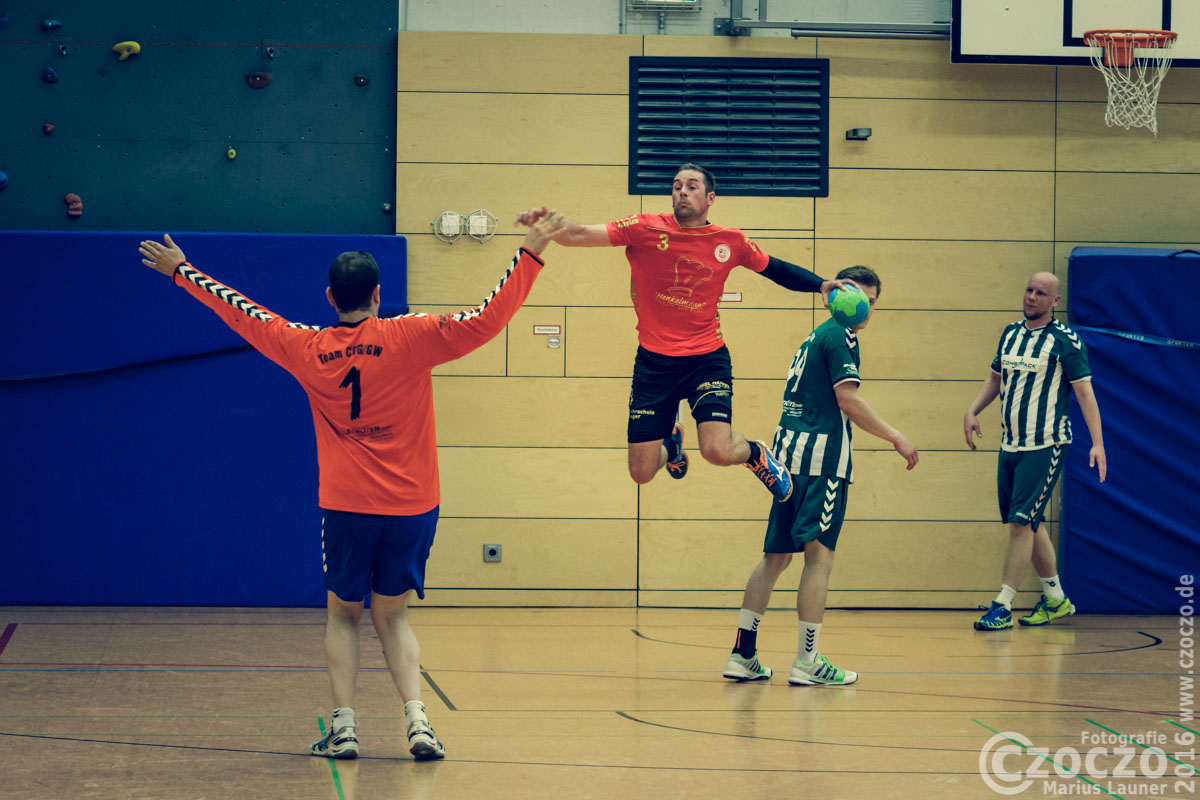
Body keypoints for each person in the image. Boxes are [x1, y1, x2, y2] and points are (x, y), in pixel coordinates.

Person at [137, 213, 566, 760]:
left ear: (329, 297)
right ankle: (419, 724)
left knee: (343, 615)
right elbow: (487, 317)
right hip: (412, 507)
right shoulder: (411, 334)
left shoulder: (305, 347)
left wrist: (183, 272)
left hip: (347, 507)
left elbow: (244, 312)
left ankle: (344, 729)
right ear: (378, 295)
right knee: (394, 615)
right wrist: (530, 250)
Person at [514, 163, 847, 502]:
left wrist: (820, 284)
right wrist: (549, 224)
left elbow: (775, 268)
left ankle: (756, 453)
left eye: (691, 186)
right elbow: (580, 234)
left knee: (717, 451)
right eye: (676, 186)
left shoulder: (730, 241)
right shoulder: (644, 228)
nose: (682, 191)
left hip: (706, 359)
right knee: (641, 472)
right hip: (654, 364)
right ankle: (672, 447)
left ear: (710, 197)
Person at [723, 266, 918, 685]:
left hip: (787, 461)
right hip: (822, 462)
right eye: (858, 297)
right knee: (819, 558)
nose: (865, 309)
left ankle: (743, 654)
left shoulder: (815, 336)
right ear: (837, 296)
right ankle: (808, 661)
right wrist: (896, 436)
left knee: (776, 557)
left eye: (871, 302)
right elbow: (848, 400)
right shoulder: (840, 336)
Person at [964, 271, 1106, 631]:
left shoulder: (1065, 341)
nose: (1031, 296)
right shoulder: (1010, 334)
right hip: (1010, 443)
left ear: (1055, 301)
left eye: (1041, 293)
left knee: (1020, 523)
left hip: (1045, 444)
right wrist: (973, 410)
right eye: (1029, 289)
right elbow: (995, 378)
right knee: (1029, 521)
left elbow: (1085, 392)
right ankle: (1056, 599)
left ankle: (1002, 606)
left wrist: (1098, 443)